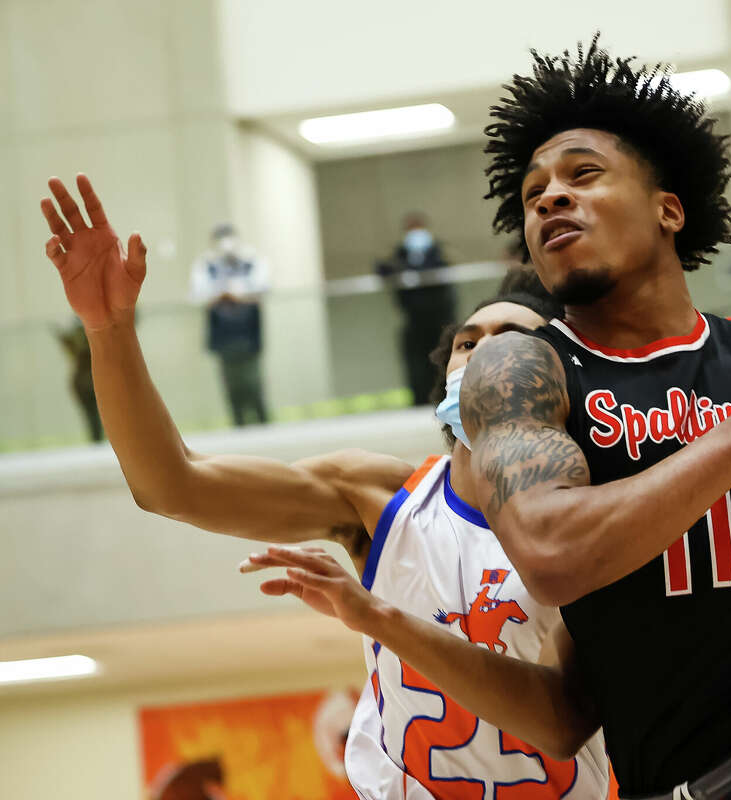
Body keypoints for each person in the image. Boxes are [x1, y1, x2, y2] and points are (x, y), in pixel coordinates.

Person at [288, 38, 731, 799]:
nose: (551, 197)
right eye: (533, 193)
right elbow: (552, 550)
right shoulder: (523, 370)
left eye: (583, 174)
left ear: (668, 209)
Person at [35, 179, 610, 799]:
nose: (483, 355)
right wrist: (109, 329)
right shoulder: (377, 495)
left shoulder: (598, 514)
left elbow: (560, 722)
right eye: (468, 343)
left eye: (510, 341)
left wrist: (374, 615)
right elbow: (170, 484)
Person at [190, 224, 270, 426]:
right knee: (231, 384)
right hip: (223, 333)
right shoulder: (206, 265)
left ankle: (263, 422)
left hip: (248, 332)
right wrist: (220, 295)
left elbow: (263, 286)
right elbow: (198, 293)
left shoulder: (251, 260)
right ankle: (239, 424)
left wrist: (239, 295)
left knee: (253, 381)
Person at [376, 213, 457, 404]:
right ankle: (420, 399)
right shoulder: (400, 253)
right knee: (416, 363)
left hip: (440, 319)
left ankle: (447, 397)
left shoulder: (438, 251)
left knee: (441, 359)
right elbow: (382, 268)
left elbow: (442, 268)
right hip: (413, 320)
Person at [54, 318, 103, 442]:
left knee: (95, 415)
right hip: (84, 383)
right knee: (93, 415)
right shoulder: (80, 343)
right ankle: (97, 442)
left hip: (89, 381)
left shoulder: (85, 340)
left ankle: (98, 441)